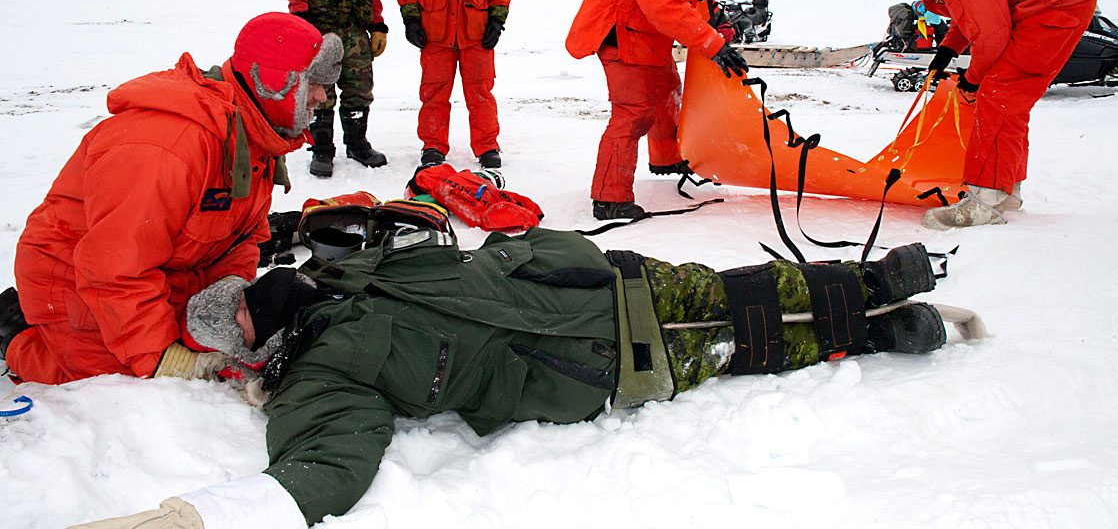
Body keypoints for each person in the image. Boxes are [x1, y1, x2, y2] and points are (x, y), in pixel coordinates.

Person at [70, 227, 957, 528]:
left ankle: (872, 286)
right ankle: (875, 340)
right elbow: (322, 470)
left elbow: (419, 234)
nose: (267, 301)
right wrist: (191, 517)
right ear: (252, 355)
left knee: (734, 291)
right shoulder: (317, 384)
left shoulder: (333, 279)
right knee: (733, 343)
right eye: (251, 317)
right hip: (590, 364)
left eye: (256, 294)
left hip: (585, 278)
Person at [0, 13, 344, 385]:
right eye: (314, 83)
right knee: (112, 381)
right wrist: (161, 358)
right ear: (275, 82)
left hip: (161, 272)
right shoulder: (168, 147)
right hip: (75, 279)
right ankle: (15, 332)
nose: (322, 97)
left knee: (198, 346)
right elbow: (113, 270)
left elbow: (243, 238)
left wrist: (226, 300)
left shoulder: (251, 137)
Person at [870, 0, 1099, 229]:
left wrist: (972, 79)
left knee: (998, 92)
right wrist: (949, 49)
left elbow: (991, 35)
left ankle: (985, 203)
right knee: (1008, 97)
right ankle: (1004, 191)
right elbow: (974, 13)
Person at [566, 0, 749, 221]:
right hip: (622, 32)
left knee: (667, 91)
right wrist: (712, 44)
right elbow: (664, 5)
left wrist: (713, 15)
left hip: (649, 35)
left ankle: (666, 158)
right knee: (633, 113)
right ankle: (609, 197)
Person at [396, 0, 511, 169]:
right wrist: (411, 19)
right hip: (435, 30)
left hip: (476, 30)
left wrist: (497, 19)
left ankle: (487, 146)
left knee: (481, 91)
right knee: (434, 91)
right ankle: (433, 145)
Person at [288, 0, 390, 177]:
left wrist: (377, 23)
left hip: (356, 27)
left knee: (359, 88)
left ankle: (357, 144)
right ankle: (322, 149)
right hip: (320, 28)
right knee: (321, 91)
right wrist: (299, 18)